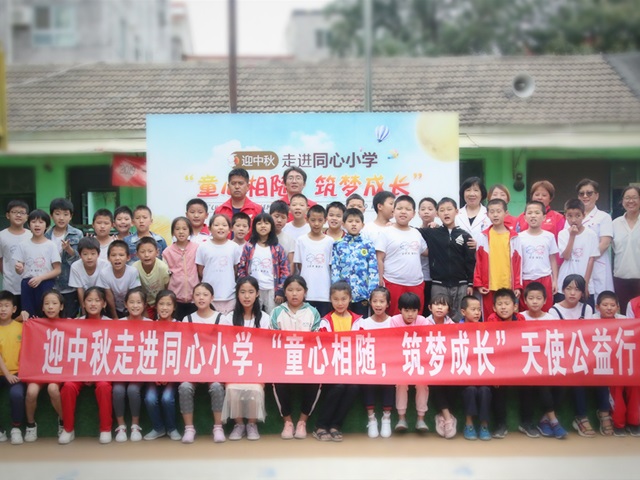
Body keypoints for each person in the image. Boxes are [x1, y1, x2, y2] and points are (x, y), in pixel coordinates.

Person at [548, 275, 608, 438]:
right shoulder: (554, 311)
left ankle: (604, 412)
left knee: (601, 371)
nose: (572, 293)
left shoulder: (586, 309)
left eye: (577, 289)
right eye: (569, 289)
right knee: (577, 375)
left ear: (583, 292)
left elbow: (588, 336)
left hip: (584, 355)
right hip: (563, 356)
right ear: (563, 290)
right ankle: (581, 417)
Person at [59, 286, 113, 444]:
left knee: (104, 387)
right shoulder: (75, 324)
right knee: (68, 386)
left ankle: (105, 429)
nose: (93, 304)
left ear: (104, 304)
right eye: (89, 300)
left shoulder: (112, 324)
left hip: (102, 370)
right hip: (79, 371)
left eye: (97, 300)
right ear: (83, 303)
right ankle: (68, 429)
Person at [270, 275, 321, 440]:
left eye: (298, 290)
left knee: (317, 380)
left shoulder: (313, 312)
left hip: (306, 361)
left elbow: (316, 340)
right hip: (283, 361)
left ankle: (302, 422)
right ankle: (288, 422)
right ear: (284, 292)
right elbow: (273, 340)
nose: (294, 293)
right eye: (290, 290)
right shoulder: (276, 312)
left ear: (305, 292)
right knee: (277, 380)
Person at [220, 277, 271, 441]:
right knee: (231, 388)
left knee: (255, 389)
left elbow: (266, 346)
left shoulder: (265, 318)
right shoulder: (229, 318)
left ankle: (251, 424)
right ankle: (239, 424)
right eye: (242, 292)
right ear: (237, 294)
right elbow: (226, 345)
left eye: (250, 292)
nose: (247, 296)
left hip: (256, 366)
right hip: (235, 365)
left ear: (257, 294)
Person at [178, 282, 226, 444]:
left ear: (212, 298)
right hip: (192, 367)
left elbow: (226, 345)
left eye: (205, 294)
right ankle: (189, 428)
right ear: (192, 298)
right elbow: (183, 346)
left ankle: (218, 427)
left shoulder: (221, 319)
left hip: (214, 367)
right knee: (184, 387)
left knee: (217, 387)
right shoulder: (187, 319)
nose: (201, 298)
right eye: (197, 294)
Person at [519, 283, 568, 439]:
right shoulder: (520, 317)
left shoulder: (551, 319)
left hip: (547, 363)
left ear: (545, 300)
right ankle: (553, 421)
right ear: (524, 300)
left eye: (538, 298)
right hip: (525, 365)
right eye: (531, 298)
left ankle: (545, 420)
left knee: (563, 382)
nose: (535, 301)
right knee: (539, 381)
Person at [313, 281, 361, 441]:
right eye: (336, 299)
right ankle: (321, 426)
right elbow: (323, 346)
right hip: (331, 368)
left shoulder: (358, 321)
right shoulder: (325, 322)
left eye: (343, 299)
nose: (340, 303)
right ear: (330, 300)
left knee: (353, 387)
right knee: (338, 386)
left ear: (350, 299)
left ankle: (335, 425)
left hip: (351, 367)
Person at [484, 289, 532, 440]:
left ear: (515, 306)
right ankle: (500, 424)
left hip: (519, 363)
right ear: (494, 307)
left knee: (529, 385)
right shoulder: (492, 320)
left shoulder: (521, 319)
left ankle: (526, 423)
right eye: (499, 304)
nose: (503, 307)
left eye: (507, 303)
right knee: (497, 388)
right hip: (499, 364)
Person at [419, 197, 475, 322]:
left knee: (460, 317)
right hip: (439, 284)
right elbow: (410, 231)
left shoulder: (464, 235)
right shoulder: (432, 233)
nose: (446, 213)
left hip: (461, 284)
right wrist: (393, 225)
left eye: (449, 209)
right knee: (439, 316)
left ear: (456, 211)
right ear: (437, 214)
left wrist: (470, 283)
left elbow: (470, 261)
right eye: (442, 210)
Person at [24, 290, 66, 442]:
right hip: (39, 370)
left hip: (58, 371)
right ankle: (30, 425)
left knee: (53, 389)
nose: (50, 307)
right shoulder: (35, 323)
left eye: (54, 303)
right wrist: (22, 316)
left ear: (61, 306)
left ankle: (63, 422)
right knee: (31, 392)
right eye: (47, 304)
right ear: (42, 307)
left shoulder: (70, 324)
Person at [351, 287, 393, 438]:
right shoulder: (362, 323)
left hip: (389, 365)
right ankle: (372, 418)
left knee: (391, 378)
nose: (378, 305)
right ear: (370, 302)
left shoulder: (394, 322)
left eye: (382, 301)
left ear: (388, 304)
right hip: (369, 364)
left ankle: (386, 418)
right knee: (367, 379)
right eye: (375, 301)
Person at [597, 291, 640, 436]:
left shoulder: (626, 321)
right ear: (598, 307)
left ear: (618, 307)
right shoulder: (592, 321)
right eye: (605, 305)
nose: (609, 308)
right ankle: (619, 424)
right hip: (607, 366)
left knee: (635, 388)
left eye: (612, 305)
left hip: (628, 363)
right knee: (616, 392)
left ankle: (634, 422)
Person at [376, 195, 427, 315]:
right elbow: (379, 258)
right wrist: (380, 280)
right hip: (393, 282)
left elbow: (426, 252)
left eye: (408, 209)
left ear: (413, 214)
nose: (403, 212)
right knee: (393, 319)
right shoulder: (386, 232)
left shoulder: (416, 233)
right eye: (399, 208)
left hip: (416, 284)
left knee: (415, 319)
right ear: (393, 211)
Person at [474, 198, 523, 320]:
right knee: (489, 319)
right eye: (492, 212)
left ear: (506, 213)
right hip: (489, 286)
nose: (495, 215)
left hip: (508, 285)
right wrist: (479, 283)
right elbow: (478, 262)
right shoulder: (483, 236)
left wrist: (517, 285)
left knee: (510, 319)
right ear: (487, 214)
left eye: (498, 211)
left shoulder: (514, 237)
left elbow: (518, 263)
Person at [389, 292, 431, 435]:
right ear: (400, 310)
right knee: (401, 384)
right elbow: (394, 343)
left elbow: (426, 343)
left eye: (414, 310)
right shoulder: (394, 321)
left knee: (422, 384)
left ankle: (421, 419)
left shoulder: (423, 321)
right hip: (400, 362)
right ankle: (402, 419)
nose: (410, 314)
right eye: (406, 310)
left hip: (419, 362)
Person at [143, 289, 181, 441]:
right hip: (153, 373)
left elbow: (182, 353)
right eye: (161, 304)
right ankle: (158, 428)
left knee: (167, 398)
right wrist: (156, 374)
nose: (164, 308)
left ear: (174, 307)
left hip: (173, 374)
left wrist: (168, 375)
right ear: (156, 306)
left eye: (168, 304)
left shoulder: (180, 326)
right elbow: (146, 353)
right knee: (150, 398)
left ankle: (172, 428)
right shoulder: (150, 326)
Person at [113, 287, 149, 442]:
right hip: (121, 369)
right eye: (131, 302)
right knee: (118, 390)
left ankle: (135, 425)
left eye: (139, 302)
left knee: (133, 390)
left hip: (140, 370)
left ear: (144, 305)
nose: (135, 305)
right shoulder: (117, 324)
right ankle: (121, 426)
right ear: (125, 304)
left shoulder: (151, 324)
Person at [330, 208, 378, 317]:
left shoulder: (368, 245)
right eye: (350, 221)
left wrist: (372, 294)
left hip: (362, 295)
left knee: (360, 323)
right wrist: (336, 291)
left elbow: (373, 270)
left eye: (357, 221)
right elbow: (335, 269)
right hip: (343, 296)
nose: (354, 224)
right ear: (343, 224)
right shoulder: (338, 245)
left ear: (363, 225)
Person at [237, 213, 289, 314]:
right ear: (254, 226)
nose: (263, 226)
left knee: (273, 317)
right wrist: (245, 286)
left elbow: (285, 270)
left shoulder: (277, 248)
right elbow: (242, 267)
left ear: (271, 226)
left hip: (272, 289)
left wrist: (280, 290)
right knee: (253, 316)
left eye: (266, 223)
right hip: (253, 289)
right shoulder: (249, 246)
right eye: (259, 223)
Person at [14, 209, 61, 317]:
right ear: (29, 225)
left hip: (46, 283)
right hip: (28, 283)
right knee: (28, 315)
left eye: (41, 222)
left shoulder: (51, 245)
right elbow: (19, 270)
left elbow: (57, 270)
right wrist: (19, 268)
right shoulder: (23, 245)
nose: (37, 225)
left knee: (46, 314)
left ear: (47, 226)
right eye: (34, 222)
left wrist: (40, 278)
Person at [423, 294, 458, 439]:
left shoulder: (453, 325)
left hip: (448, 365)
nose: (439, 307)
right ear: (430, 307)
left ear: (448, 309)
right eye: (436, 304)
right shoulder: (423, 323)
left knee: (454, 382)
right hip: (429, 365)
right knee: (434, 382)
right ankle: (448, 417)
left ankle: (443, 416)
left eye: (443, 305)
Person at [459, 295, 492, 441]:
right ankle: (469, 424)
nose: (477, 312)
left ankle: (484, 425)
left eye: (479, 309)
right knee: (470, 389)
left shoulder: (485, 329)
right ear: (463, 312)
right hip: (464, 374)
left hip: (482, 373)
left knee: (485, 390)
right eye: (473, 309)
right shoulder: (456, 329)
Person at [574, 179, 614, 298]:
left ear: (597, 196)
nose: (585, 196)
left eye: (589, 193)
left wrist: (587, 260)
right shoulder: (572, 217)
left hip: (597, 264)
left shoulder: (604, 217)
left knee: (599, 299)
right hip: (576, 264)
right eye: (582, 193)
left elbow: (605, 243)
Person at [44, 198, 83, 318]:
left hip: (70, 285)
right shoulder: (45, 235)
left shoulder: (77, 234)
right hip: (50, 286)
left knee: (69, 319)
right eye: (57, 214)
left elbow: (81, 260)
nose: (61, 218)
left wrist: (69, 250)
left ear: (70, 216)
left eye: (65, 214)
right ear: (51, 216)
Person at [195, 214, 241, 314]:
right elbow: (200, 270)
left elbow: (236, 269)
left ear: (230, 229)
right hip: (208, 296)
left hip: (229, 295)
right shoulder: (203, 247)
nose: (220, 227)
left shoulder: (234, 247)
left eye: (224, 225)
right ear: (209, 229)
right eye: (216, 225)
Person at [293, 205, 334, 317]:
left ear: (325, 220)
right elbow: (299, 265)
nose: (316, 224)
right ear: (307, 220)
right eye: (313, 220)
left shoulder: (330, 241)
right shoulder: (301, 240)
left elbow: (331, 266)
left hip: (324, 292)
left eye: (320, 220)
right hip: (306, 292)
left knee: (323, 322)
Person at [518, 200, 559, 312]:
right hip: (526, 278)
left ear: (544, 217)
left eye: (537, 213)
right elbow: (517, 261)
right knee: (525, 311)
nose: (533, 216)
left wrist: (555, 280)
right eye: (530, 213)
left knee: (545, 310)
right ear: (524, 217)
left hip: (545, 278)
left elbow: (553, 259)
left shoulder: (549, 237)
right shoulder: (519, 237)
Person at [557, 199, 599, 305]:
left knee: (585, 311)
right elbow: (566, 256)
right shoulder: (563, 234)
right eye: (569, 216)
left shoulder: (591, 235)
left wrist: (585, 284)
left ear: (583, 215)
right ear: (565, 216)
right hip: (565, 280)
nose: (573, 220)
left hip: (584, 280)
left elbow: (591, 260)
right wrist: (572, 236)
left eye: (577, 216)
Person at [0, 291, 26, 445]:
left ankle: (16, 428)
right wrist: (7, 374)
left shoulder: (21, 327)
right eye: (0, 306)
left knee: (17, 395)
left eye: (6, 306)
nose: (2, 309)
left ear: (14, 309)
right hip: (3, 373)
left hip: (17, 374)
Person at [162, 216, 199, 321]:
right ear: (173, 232)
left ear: (190, 231)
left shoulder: (197, 248)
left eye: (184, 229)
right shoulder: (167, 252)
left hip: (194, 299)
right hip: (175, 299)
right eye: (177, 229)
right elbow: (165, 276)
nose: (181, 232)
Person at [0, 200, 32, 311]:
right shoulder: (2, 236)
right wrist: (7, 274)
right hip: (10, 286)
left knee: (29, 317)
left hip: (30, 285)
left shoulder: (31, 235)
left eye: (22, 212)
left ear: (27, 217)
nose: (18, 215)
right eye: (14, 212)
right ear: (7, 215)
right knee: (11, 315)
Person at [97, 240, 141, 319]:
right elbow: (109, 296)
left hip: (130, 307)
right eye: (113, 255)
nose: (117, 258)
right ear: (108, 258)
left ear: (128, 257)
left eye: (121, 255)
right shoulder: (104, 273)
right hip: (112, 308)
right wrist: (115, 317)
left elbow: (133, 295)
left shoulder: (133, 272)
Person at [611, 185, 640, 309]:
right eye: (627, 198)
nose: (631, 201)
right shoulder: (615, 224)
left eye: (634, 197)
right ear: (622, 201)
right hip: (620, 279)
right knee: (624, 313)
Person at [132, 237, 170, 319]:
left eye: (150, 251)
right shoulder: (134, 268)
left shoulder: (163, 268)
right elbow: (135, 291)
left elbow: (167, 288)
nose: (146, 255)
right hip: (144, 303)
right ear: (137, 254)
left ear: (157, 252)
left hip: (161, 301)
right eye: (142, 252)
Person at [70, 237, 108, 315]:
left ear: (98, 254)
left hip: (101, 298)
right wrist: (84, 311)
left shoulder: (105, 265)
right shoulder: (75, 266)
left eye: (93, 253)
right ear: (80, 255)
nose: (89, 257)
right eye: (85, 254)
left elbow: (106, 290)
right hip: (85, 298)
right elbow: (80, 290)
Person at [456, 176, 490, 243]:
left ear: (482, 193)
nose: (471, 194)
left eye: (476, 190)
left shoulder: (489, 214)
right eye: (468, 190)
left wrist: (478, 245)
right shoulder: (456, 214)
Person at [417, 197, 437, 312]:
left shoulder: (440, 231)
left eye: (430, 209)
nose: (426, 212)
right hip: (419, 277)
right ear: (418, 213)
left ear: (436, 212)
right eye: (423, 209)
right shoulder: (414, 232)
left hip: (435, 278)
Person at [270, 200, 295, 266]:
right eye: (276, 216)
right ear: (269, 216)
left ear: (287, 219)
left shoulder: (290, 240)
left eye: (283, 217)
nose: (279, 220)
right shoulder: (261, 236)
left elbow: (291, 263)